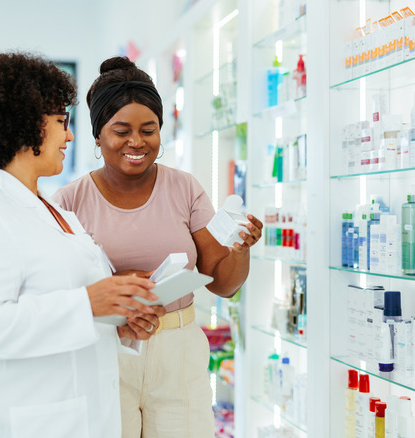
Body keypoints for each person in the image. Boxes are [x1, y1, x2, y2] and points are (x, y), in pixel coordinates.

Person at [0, 52, 166, 438]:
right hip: (18, 422)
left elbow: (67, 302)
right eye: (61, 122)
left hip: (77, 416)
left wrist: (120, 320)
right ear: (25, 125)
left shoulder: (51, 210)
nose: (70, 135)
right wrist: (90, 303)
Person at [52, 56, 263, 438]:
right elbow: (58, 292)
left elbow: (223, 284)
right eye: (121, 131)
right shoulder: (69, 201)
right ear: (98, 135)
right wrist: (120, 287)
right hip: (105, 347)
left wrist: (241, 248)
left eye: (148, 130)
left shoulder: (184, 188)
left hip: (177, 348)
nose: (137, 142)